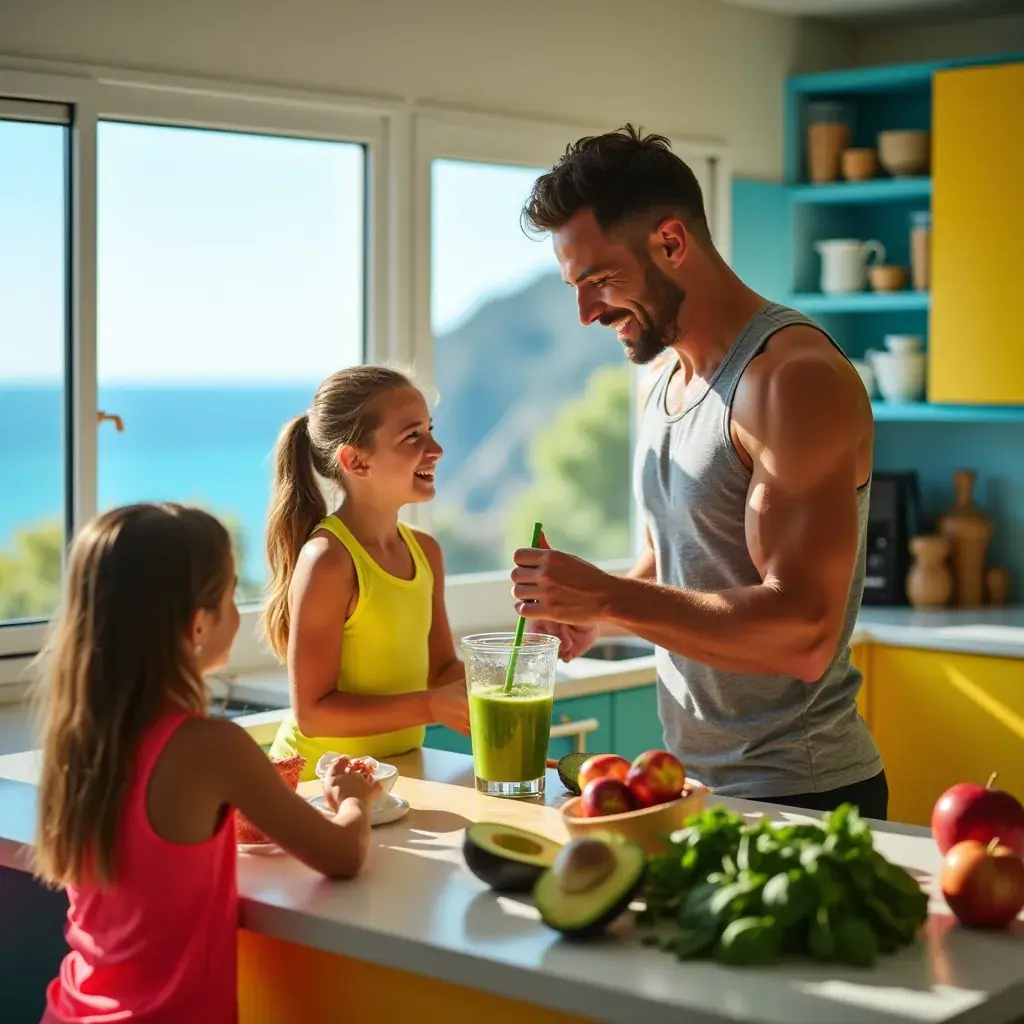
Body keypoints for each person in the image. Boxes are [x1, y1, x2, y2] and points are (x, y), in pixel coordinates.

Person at [512, 125, 887, 820]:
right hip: (691, 783)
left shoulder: (791, 380)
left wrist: (609, 599)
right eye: (575, 286)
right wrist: (594, 614)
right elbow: (683, 559)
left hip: (804, 794)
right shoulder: (664, 380)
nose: (587, 313)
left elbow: (805, 633)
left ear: (671, 243)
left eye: (599, 280)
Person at [35, 503, 377, 1024]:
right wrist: (352, 798)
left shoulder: (77, 742)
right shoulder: (212, 747)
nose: (238, 613)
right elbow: (343, 854)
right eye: (230, 595)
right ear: (198, 625)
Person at [264, 366, 470, 781]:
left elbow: (441, 670)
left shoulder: (426, 552)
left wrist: (506, 672)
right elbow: (313, 714)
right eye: (412, 436)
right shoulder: (328, 560)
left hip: (393, 777)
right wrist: (431, 706)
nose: (436, 449)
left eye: (429, 430)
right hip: (315, 785)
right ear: (356, 461)